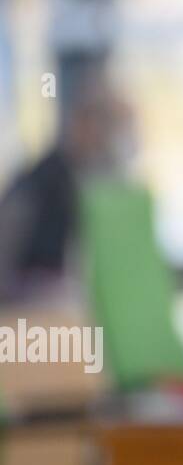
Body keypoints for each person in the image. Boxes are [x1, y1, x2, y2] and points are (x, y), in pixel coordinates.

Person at [0, 68, 132, 305]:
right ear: (82, 123)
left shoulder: (88, 177)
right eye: (104, 127)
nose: (105, 139)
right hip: (32, 292)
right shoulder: (48, 175)